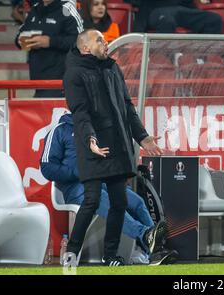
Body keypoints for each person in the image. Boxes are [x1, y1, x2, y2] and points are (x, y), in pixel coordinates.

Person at [63, 29, 165, 267]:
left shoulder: (112, 68)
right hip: (94, 147)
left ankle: (110, 255)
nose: (105, 43)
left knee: (119, 202)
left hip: (118, 144)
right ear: (85, 47)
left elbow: (127, 107)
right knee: (91, 200)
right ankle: (71, 254)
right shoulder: (74, 74)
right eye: (100, 40)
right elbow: (80, 112)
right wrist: (90, 139)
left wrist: (143, 137)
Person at [40, 113, 177, 266]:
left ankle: (154, 252)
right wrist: (78, 172)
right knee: (109, 202)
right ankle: (145, 234)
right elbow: (47, 168)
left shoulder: (100, 129)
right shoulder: (60, 130)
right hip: (76, 187)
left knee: (137, 202)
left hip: (103, 182)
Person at [15, 0, 83, 97]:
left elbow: (80, 41)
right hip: (38, 80)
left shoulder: (67, 9)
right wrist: (20, 41)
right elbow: (20, 33)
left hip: (61, 80)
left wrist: (50, 42)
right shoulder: (35, 9)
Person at [133, 0, 223, 34]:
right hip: (157, 11)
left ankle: (204, 56)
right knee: (166, 20)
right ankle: (166, 57)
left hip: (182, 10)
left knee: (214, 19)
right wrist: (139, 30)